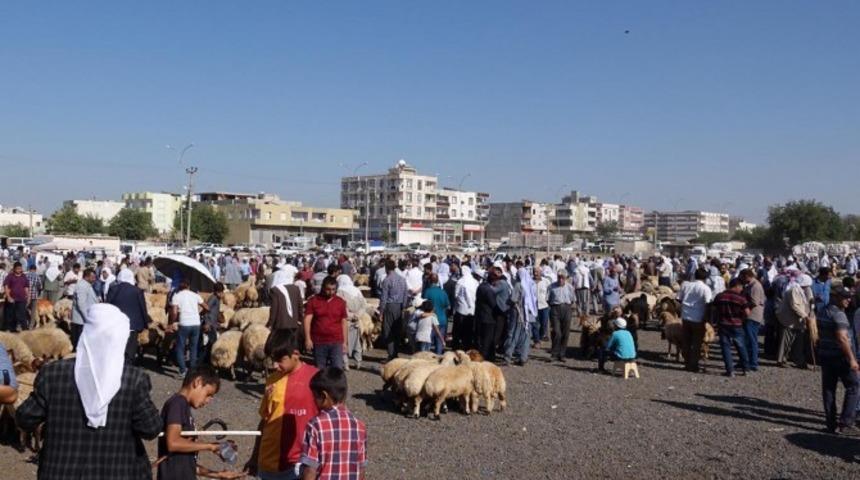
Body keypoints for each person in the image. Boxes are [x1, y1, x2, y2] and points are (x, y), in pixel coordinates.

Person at [16, 303, 163, 479]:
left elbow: (25, 417)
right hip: (118, 471)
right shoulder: (133, 379)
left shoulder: (53, 373)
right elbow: (151, 428)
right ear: (119, 338)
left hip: (60, 472)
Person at [248, 330, 319, 480]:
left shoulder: (316, 379)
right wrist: (255, 457)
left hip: (301, 464)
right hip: (270, 463)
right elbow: (265, 420)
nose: (275, 365)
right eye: (273, 359)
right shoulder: (272, 381)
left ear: (296, 354)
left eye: (280, 359)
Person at [157, 366, 243, 479]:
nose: (208, 401)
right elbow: (173, 443)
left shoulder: (184, 407)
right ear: (197, 382)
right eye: (208, 394)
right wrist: (210, 446)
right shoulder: (177, 403)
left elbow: (187, 464)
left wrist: (218, 474)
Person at [299, 367, 367, 480]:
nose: (313, 400)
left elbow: (310, 469)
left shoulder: (315, 425)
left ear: (324, 396)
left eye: (315, 396)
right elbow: (361, 469)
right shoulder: (359, 426)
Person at [816, 287, 860, 435]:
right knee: (854, 386)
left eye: (849, 297)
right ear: (835, 297)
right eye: (845, 297)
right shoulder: (839, 315)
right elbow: (842, 338)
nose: (848, 300)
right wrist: (852, 359)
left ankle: (830, 423)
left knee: (829, 390)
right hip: (840, 357)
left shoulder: (822, 311)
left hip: (825, 355)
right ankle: (846, 422)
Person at [107, 268, 151, 364]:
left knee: (117, 350)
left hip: (116, 325)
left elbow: (108, 305)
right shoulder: (137, 291)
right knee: (130, 350)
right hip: (132, 325)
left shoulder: (113, 289)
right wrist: (145, 324)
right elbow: (142, 308)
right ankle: (128, 368)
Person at [304, 277, 348, 370]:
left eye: (333, 289)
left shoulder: (340, 302)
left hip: (336, 341)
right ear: (323, 288)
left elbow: (344, 322)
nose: (331, 292)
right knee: (319, 370)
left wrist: (345, 342)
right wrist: (308, 339)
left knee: (337, 369)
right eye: (328, 289)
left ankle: (335, 385)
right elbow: (307, 319)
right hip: (319, 341)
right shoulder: (313, 301)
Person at [711, 278, 751, 377]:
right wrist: (742, 319)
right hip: (737, 325)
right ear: (737, 286)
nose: (741, 289)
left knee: (726, 348)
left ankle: (730, 371)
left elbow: (713, 309)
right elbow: (747, 313)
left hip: (723, 324)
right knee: (741, 347)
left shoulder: (719, 296)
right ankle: (745, 369)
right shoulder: (741, 298)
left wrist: (713, 321)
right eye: (741, 287)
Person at [677, 268, 713, 372]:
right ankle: (694, 365)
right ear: (705, 278)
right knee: (696, 343)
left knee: (686, 341)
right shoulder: (705, 288)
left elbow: (678, 299)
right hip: (698, 318)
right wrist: (707, 319)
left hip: (686, 317)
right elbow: (708, 303)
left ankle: (687, 363)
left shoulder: (685, 285)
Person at [170, 281, 208, 376]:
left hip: (184, 323)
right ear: (189, 286)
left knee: (180, 347)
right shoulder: (195, 295)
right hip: (196, 323)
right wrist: (200, 314)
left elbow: (174, 312)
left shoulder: (176, 296)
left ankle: (183, 371)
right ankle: (192, 370)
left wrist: (173, 322)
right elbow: (207, 307)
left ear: (180, 287)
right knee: (193, 348)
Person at [776, 273, 812, 369]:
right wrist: (805, 316)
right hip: (789, 320)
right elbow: (794, 305)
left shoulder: (802, 291)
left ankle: (799, 361)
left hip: (797, 320)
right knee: (786, 341)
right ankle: (781, 360)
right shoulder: (794, 290)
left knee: (798, 341)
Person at [378, 260, 408, 360]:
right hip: (400, 306)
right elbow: (405, 294)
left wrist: (381, 312)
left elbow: (384, 298)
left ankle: (391, 354)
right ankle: (395, 352)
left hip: (390, 306)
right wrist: (403, 307)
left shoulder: (387, 280)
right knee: (397, 330)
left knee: (388, 329)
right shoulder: (402, 279)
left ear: (386, 268)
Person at [336, 275, 367, 370]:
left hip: (345, 320)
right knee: (356, 341)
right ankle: (358, 361)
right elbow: (363, 305)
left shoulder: (340, 292)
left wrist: (350, 315)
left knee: (344, 341)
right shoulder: (357, 290)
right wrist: (357, 315)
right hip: (357, 320)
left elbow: (340, 307)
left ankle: (345, 363)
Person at [740, 269, 765, 371]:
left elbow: (754, 302)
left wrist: (743, 305)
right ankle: (745, 361)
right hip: (749, 315)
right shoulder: (750, 285)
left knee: (752, 340)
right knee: (746, 339)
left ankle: (753, 362)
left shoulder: (755, 286)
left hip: (753, 315)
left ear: (746, 276)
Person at [547, 270, 575, 362]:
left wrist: (571, 309)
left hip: (566, 308)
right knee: (556, 332)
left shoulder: (570, 287)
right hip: (555, 308)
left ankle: (562, 354)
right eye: (559, 277)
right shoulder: (551, 287)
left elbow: (573, 300)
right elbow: (548, 299)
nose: (560, 279)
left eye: (563, 277)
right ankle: (554, 353)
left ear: (566, 278)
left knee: (565, 332)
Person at [422, 273, 450, 354]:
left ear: (430, 281)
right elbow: (448, 306)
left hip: (430, 320)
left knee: (428, 343)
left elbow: (423, 304)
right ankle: (438, 361)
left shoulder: (427, 292)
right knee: (439, 343)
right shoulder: (443, 292)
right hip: (442, 320)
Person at [71, 267, 98, 349]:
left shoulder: (86, 285)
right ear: (86, 277)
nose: (94, 279)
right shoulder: (82, 286)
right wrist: (87, 319)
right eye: (92, 277)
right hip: (81, 320)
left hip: (84, 319)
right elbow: (81, 304)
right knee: (80, 344)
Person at [453, 266, 478, 350]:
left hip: (461, 309)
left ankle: (456, 346)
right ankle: (467, 346)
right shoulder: (475, 282)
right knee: (468, 330)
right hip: (472, 310)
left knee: (458, 329)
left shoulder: (460, 281)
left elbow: (456, 295)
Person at [200, 282, 224, 365]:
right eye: (221, 292)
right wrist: (207, 323)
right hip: (209, 324)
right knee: (210, 343)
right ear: (217, 292)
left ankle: (206, 362)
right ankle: (202, 362)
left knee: (211, 343)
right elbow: (206, 309)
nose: (222, 294)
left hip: (213, 324)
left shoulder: (217, 299)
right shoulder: (213, 298)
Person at [3, 261, 30, 331]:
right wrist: (8, 297)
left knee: (22, 315)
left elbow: (26, 287)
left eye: (20, 268)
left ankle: (24, 330)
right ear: (14, 269)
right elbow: (6, 286)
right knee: (10, 315)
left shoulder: (24, 276)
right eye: (17, 268)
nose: (19, 270)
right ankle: (9, 329)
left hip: (21, 299)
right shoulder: (10, 276)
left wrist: (28, 296)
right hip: (12, 299)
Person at [533, 268, 551, 347]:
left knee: (544, 324)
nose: (535, 274)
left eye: (537, 272)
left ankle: (540, 337)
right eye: (534, 272)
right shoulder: (530, 282)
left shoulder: (546, 282)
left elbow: (549, 292)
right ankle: (537, 341)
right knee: (535, 324)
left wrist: (549, 301)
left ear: (541, 272)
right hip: (533, 306)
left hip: (544, 306)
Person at [26, 263, 43, 328]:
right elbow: (40, 287)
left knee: (25, 310)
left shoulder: (26, 275)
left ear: (30, 269)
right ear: (35, 270)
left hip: (26, 296)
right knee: (33, 311)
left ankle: (24, 323)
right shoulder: (37, 276)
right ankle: (31, 325)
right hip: (34, 296)